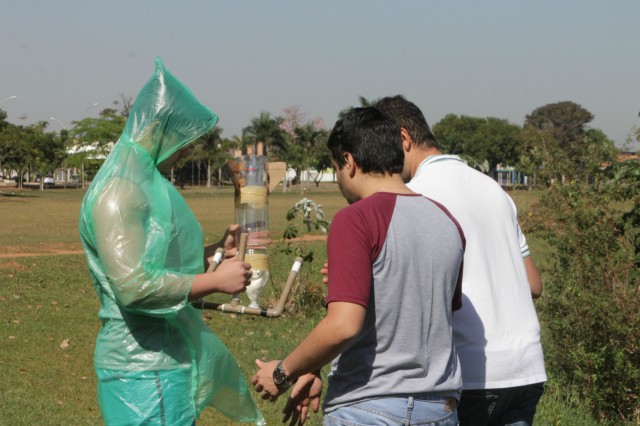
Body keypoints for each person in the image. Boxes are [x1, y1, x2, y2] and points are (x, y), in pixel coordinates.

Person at [252, 107, 465, 425]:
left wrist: (283, 372)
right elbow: (421, 314)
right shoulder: (446, 221)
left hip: (371, 408)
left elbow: (344, 325)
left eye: (336, 168)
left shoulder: (356, 219)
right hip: (440, 409)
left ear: (349, 162)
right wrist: (316, 365)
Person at [79, 58, 263, 425]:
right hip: (144, 370)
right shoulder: (119, 190)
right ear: (160, 128)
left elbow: (156, 261)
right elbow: (134, 287)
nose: (187, 150)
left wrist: (213, 253)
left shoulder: (146, 180)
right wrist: (215, 281)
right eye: (184, 139)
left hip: (161, 364)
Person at [375, 95, 547, 426]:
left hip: (471, 372)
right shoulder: (495, 190)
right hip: (527, 368)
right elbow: (534, 285)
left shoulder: (418, 196)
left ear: (403, 139)